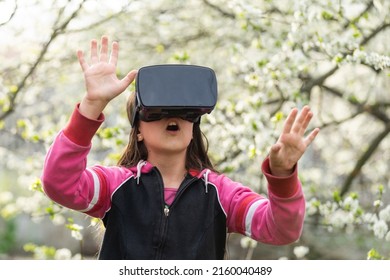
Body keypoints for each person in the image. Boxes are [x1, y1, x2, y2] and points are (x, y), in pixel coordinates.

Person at [41, 35, 320, 260]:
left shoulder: (221, 194)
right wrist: (92, 105)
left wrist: (283, 174)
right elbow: (59, 184)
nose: (172, 117)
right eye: (157, 111)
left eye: (184, 112)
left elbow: (282, 229)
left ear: (194, 125)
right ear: (137, 131)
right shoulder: (115, 185)